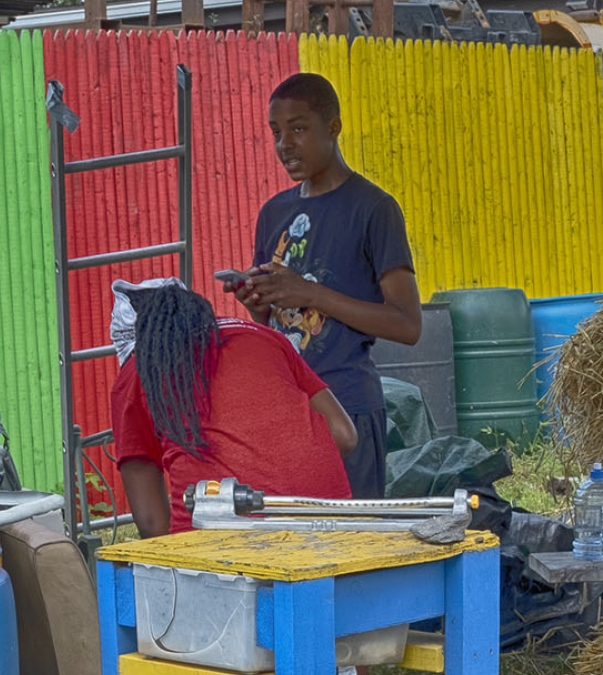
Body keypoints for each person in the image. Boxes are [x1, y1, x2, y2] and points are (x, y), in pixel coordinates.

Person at [226, 72, 422, 499]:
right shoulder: (273, 213)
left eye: (298, 129)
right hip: (283, 409)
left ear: (333, 127)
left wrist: (312, 294)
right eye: (276, 132)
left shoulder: (374, 209)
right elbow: (275, 325)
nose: (285, 145)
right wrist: (257, 303)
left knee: (351, 551)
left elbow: (408, 325)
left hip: (348, 408)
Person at [110, 279, 356, 538]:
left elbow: (152, 523)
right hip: (330, 524)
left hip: (222, 542)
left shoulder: (138, 372)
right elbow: (344, 435)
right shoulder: (265, 337)